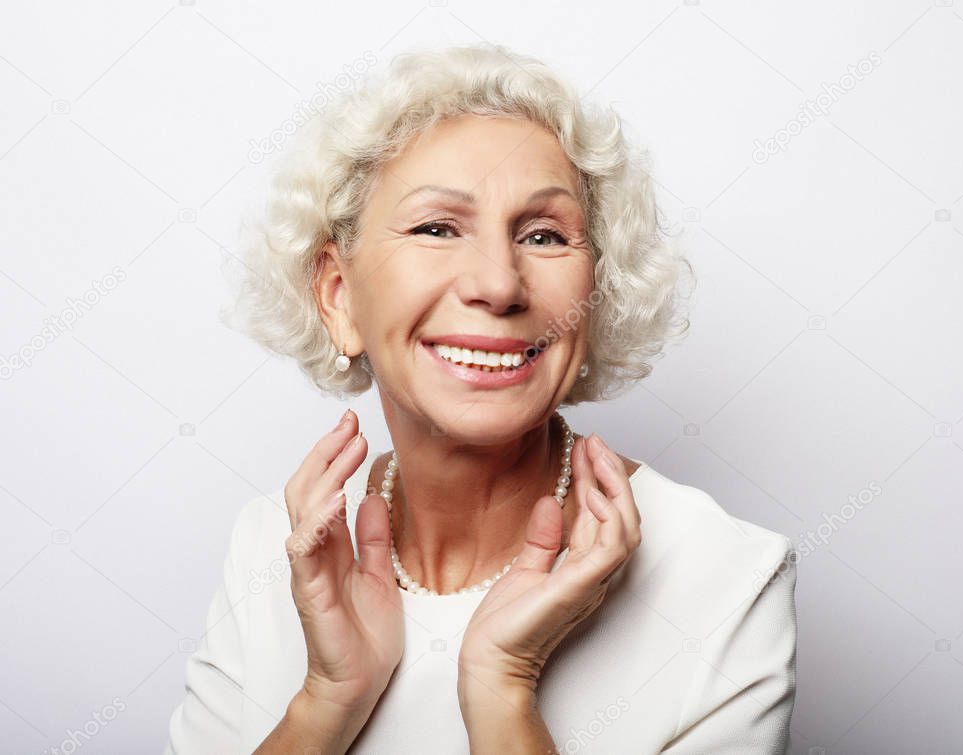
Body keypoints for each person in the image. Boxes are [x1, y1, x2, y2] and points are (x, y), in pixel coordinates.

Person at [163, 42, 797, 754]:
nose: (499, 284)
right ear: (338, 296)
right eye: (436, 228)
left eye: (544, 235)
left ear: (595, 298)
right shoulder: (275, 547)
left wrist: (503, 686)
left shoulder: (723, 578)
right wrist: (325, 701)